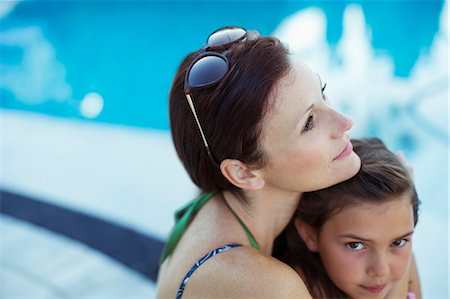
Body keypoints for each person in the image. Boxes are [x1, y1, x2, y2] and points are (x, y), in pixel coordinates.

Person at [156, 26, 361, 298]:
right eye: (309, 123)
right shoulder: (268, 287)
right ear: (243, 173)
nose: (345, 122)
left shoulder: (216, 202)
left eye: (322, 92)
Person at [273, 138, 422, 299]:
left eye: (397, 242)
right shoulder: (295, 290)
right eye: (355, 245)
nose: (381, 270)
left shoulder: (405, 261)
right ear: (310, 234)